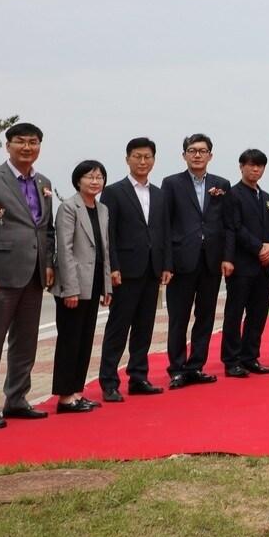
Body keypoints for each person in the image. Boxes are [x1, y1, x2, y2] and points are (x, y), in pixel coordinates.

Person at [0, 121, 55, 428]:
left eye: (33, 142)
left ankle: (17, 398)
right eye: (20, 141)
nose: (27, 147)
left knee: (26, 342)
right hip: (2, 273)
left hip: (34, 273)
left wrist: (49, 262)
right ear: (8, 146)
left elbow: (46, 228)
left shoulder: (43, 181)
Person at [98, 137, 172, 402]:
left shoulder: (160, 194)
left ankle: (139, 376)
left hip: (152, 269)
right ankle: (109, 381)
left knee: (144, 326)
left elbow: (164, 232)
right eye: (137, 156)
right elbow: (108, 233)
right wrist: (113, 267)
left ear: (154, 160)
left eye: (147, 157)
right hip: (125, 271)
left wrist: (167, 264)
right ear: (127, 159)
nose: (142, 161)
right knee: (118, 327)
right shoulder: (114, 192)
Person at [161, 134, 230, 389]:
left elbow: (227, 224)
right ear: (184, 155)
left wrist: (227, 257)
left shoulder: (221, 184)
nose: (197, 155)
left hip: (211, 260)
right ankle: (177, 368)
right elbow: (164, 225)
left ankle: (196, 365)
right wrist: (166, 263)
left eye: (202, 150)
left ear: (210, 155)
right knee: (178, 317)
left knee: (206, 316)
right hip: (181, 261)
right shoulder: (171, 184)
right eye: (192, 150)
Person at [52, 161, 112, 414]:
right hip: (74, 284)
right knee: (70, 339)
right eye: (89, 177)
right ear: (78, 180)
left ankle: (77, 392)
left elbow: (105, 249)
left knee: (85, 339)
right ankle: (65, 397)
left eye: (99, 177)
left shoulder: (102, 209)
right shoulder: (69, 207)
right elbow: (64, 250)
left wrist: (107, 286)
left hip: (94, 281)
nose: (95, 182)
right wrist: (70, 289)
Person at [220, 149, 269, 377]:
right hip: (242, 265)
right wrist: (259, 248)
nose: (255, 169)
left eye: (260, 166)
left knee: (258, 314)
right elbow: (235, 227)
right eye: (251, 165)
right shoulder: (232, 195)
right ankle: (231, 360)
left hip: (265, 267)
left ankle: (250, 356)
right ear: (241, 167)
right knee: (234, 314)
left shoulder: (267, 197)